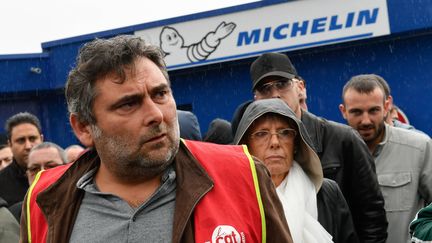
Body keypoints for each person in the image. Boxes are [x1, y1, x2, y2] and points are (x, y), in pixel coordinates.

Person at [20, 35, 293, 242]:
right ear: (83, 127)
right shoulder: (44, 200)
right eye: (129, 104)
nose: (155, 115)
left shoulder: (242, 175)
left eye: (160, 94)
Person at [247, 52, 387, 242]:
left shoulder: (343, 139)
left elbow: (371, 219)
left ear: (300, 87)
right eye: (265, 89)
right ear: (256, 98)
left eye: (282, 84)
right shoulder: (244, 150)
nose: (275, 94)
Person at [234, 98, 358, 243]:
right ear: (246, 145)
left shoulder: (326, 193)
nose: (275, 142)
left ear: (296, 144)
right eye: (262, 133)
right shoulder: (234, 200)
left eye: (284, 132)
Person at [339, 74, 432, 243]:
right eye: (357, 112)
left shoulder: (420, 147)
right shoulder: (332, 154)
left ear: (387, 105)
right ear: (343, 111)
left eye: (373, 110)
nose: (365, 120)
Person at [0, 112, 43, 206]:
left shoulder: (61, 174)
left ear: (41, 139)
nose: (28, 146)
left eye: (32, 138)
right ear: (10, 144)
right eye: (21, 140)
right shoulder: (1, 183)